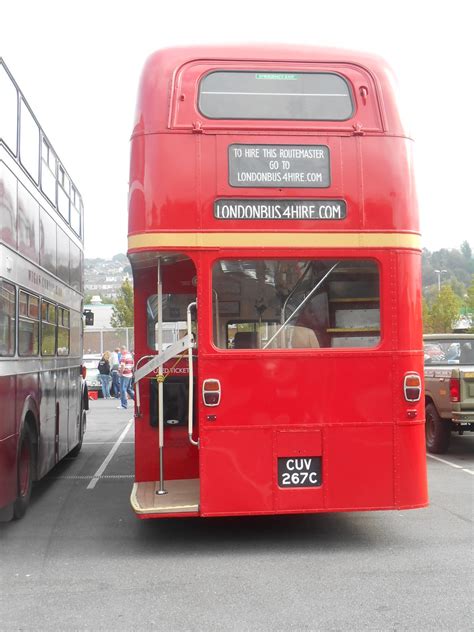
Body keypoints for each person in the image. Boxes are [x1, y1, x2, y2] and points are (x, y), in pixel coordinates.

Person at [118, 345, 135, 409]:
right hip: (129, 374)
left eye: (121, 351)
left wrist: (120, 373)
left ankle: (124, 405)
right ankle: (138, 401)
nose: (120, 352)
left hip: (124, 375)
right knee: (128, 389)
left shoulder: (123, 356)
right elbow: (132, 365)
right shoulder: (130, 356)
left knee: (122, 389)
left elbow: (122, 365)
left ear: (122, 350)